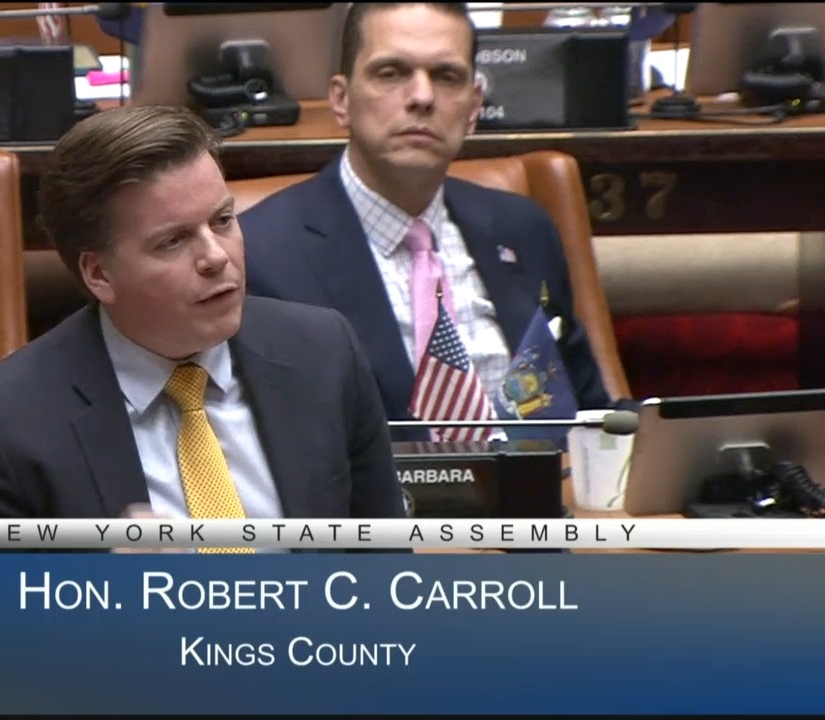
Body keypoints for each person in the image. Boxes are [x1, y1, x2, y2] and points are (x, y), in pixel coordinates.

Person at [0, 105, 405, 533]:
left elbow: (385, 572)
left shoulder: (324, 354)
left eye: (223, 221)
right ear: (99, 273)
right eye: (173, 241)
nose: (216, 257)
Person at [238, 3, 626, 442]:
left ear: (473, 107)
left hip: (545, 482)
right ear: (341, 100)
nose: (422, 97)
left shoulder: (523, 228)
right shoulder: (264, 253)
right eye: (391, 73)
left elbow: (591, 414)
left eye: (446, 76)